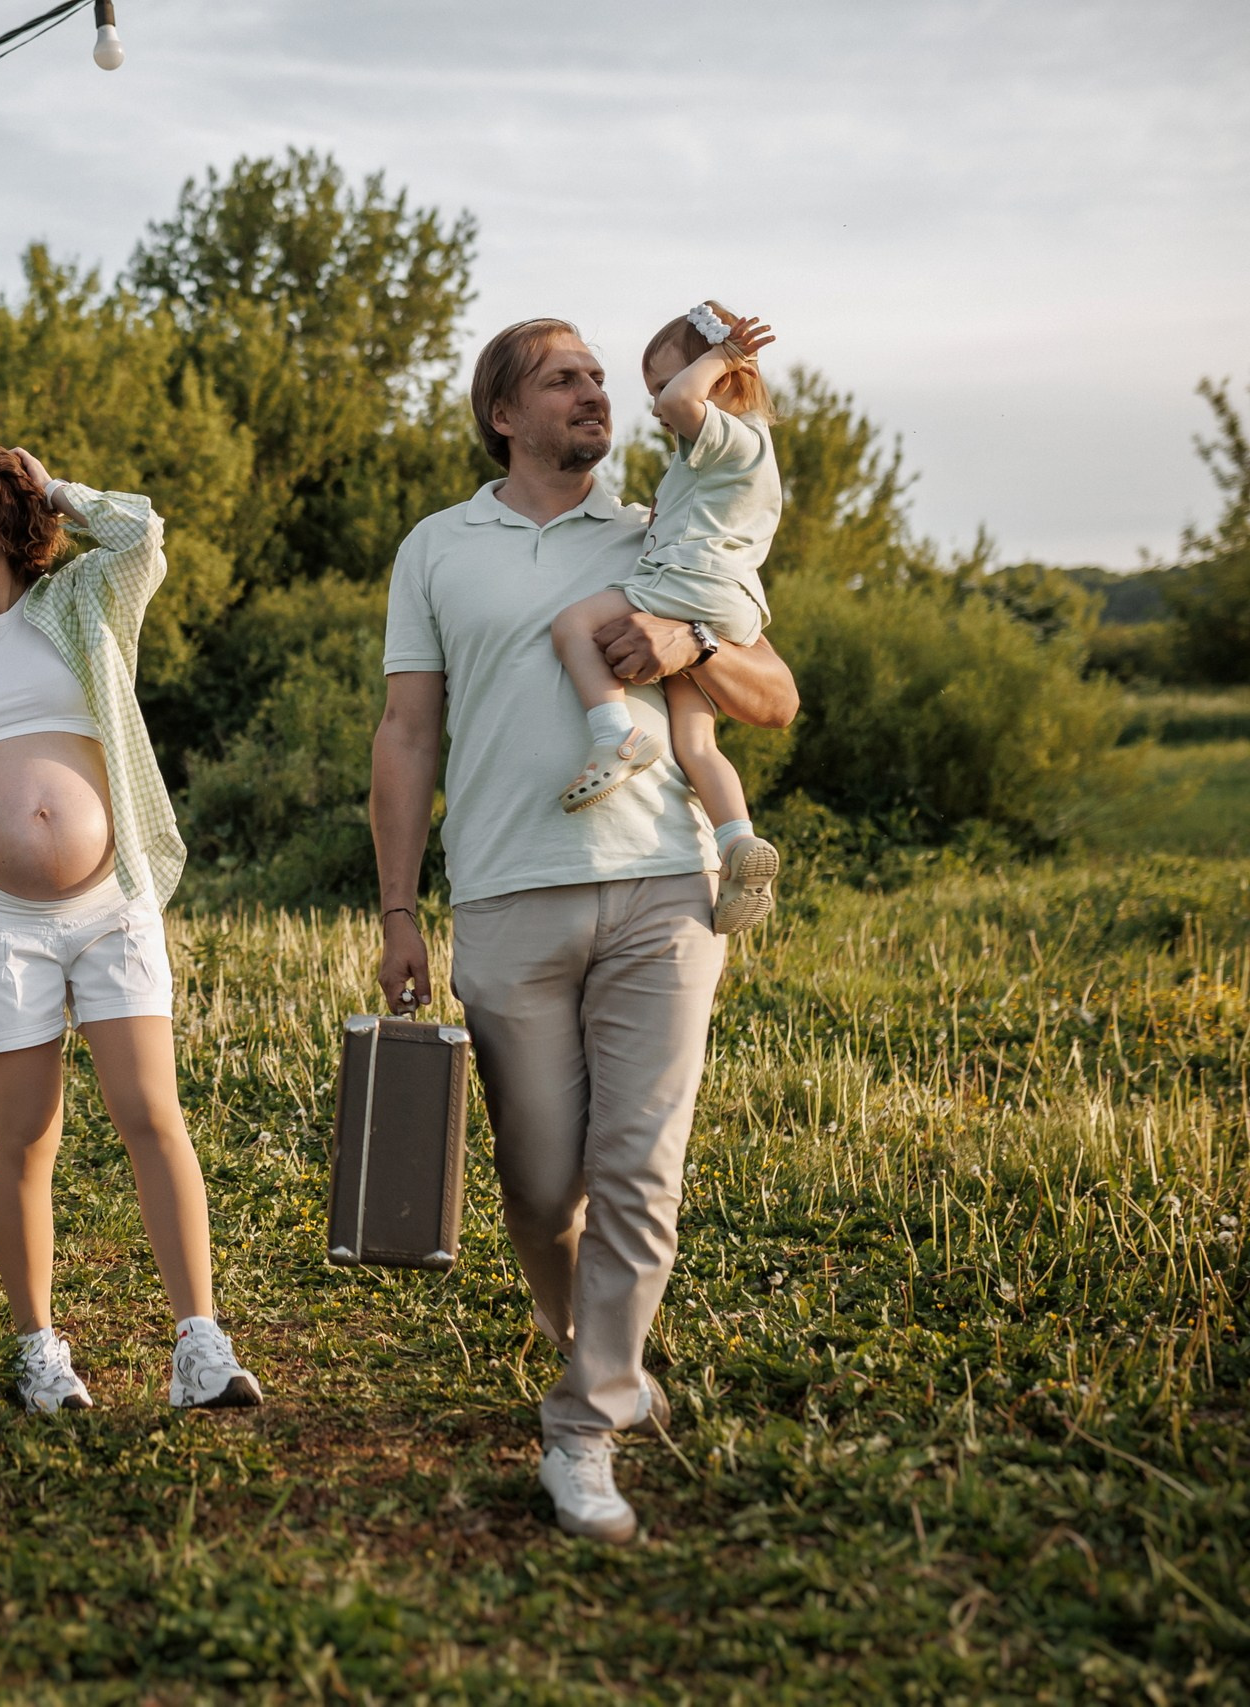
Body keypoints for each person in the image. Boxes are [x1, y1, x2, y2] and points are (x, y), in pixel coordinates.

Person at [370, 321, 801, 1542]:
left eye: (599, 378)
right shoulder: (437, 548)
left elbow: (775, 697)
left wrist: (695, 645)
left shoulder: (658, 532)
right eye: (564, 380)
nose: (593, 393)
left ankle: (583, 1423)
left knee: (638, 1170)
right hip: (505, 893)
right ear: (503, 413)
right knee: (539, 1179)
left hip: (666, 886)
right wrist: (398, 909)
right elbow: (406, 735)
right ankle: (595, 1350)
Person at [0, 442, 261, 1415]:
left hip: (108, 905)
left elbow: (142, 533)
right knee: (27, 1135)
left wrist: (52, 489)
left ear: (3, 521)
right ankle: (39, 1350)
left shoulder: (81, 600)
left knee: (149, 1115)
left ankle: (199, 1344)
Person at [549, 300, 785, 933]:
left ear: (721, 377)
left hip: (687, 587)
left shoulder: (734, 434)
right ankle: (738, 846)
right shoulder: (715, 458)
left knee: (573, 625)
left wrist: (716, 358)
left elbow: (686, 403)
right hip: (725, 601)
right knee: (696, 741)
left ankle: (614, 736)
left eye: (663, 385)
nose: (657, 406)